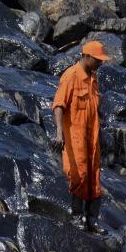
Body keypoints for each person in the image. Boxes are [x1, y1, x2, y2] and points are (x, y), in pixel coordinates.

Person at [52, 41, 111, 235]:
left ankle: (93, 219)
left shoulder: (93, 79)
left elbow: (96, 111)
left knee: (94, 178)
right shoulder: (71, 76)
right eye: (98, 60)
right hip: (74, 137)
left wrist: (101, 135)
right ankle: (77, 217)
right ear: (86, 57)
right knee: (78, 175)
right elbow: (59, 105)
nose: (101, 64)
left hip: (91, 138)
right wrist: (59, 132)